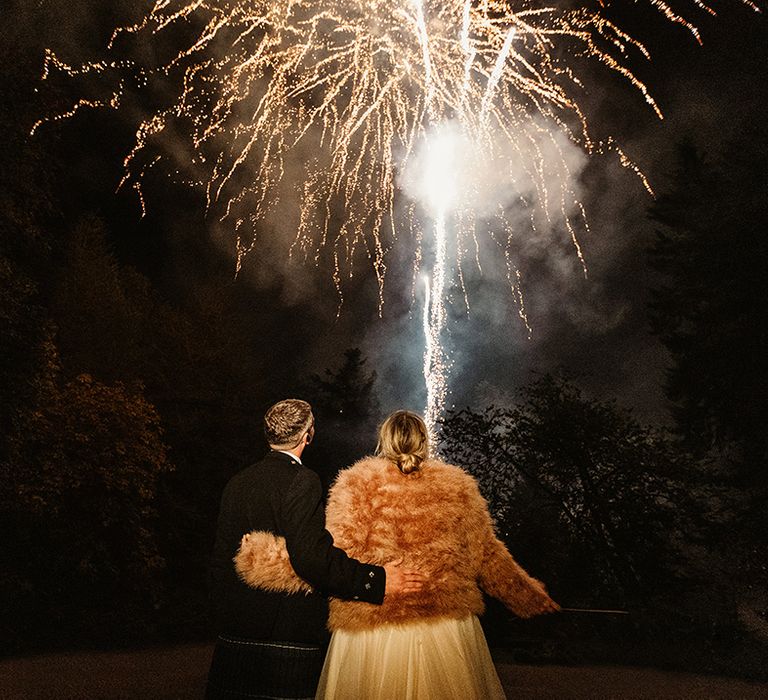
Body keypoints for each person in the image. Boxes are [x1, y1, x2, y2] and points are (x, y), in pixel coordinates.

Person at [236, 409, 559, 699]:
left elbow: (330, 557)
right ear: (424, 441)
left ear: (383, 441)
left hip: (372, 624)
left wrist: (262, 560)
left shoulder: (356, 484)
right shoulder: (458, 487)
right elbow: (487, 556)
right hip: (442, 626)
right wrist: (528, 599)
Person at [206, 400, 425, 700]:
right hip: (286, 635)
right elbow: (311, 558)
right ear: (308, 434)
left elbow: (220, 561)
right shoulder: (303, 480)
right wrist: (377, 580)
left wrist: (226, 613)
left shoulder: (237, 483)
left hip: (235, 633)